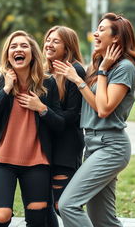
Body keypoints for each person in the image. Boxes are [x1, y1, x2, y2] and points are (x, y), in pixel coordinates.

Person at [55, 13, 135, 227]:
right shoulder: (99, 65)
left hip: (111, 146)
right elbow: (94, 103)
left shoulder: (124, 68)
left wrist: (100, 71)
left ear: (116, 38)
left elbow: (104, 109)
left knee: (67, 204)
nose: (96, 33)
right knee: (103, 220)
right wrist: (80, 78)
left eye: (102, 29)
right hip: (93, 144)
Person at [0, 30, 65, 227]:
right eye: (13, 46)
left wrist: (42, 109)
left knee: (37, 218)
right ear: (8, 54)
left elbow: (60, 125)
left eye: (24, 46)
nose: (18, 49)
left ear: (32, 53)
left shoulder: (47, 83)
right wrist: (6, 89)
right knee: (1, 215)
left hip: (37, 161)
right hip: (2, 160)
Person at [43, 26, 86, 220]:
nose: (49, 44)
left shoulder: (74, 70)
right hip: (45, 145)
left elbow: (72, 115)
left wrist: (43, 111)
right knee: (46, 206)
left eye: (56, 41)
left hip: (65, 148)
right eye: (48, 40)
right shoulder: (45, 70)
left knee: (62, 205)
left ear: (67, 46)